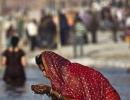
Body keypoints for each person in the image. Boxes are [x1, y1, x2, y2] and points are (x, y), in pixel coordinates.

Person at [31, 51, 120, 100]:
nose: (44, 74)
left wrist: (51, 91)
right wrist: (47, 92)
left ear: (52, 66)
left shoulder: (72, 74)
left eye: (44, 70)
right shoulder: (58, 79)